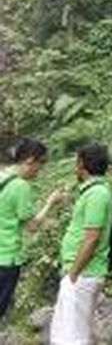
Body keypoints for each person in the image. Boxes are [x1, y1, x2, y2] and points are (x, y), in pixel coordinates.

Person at [49, 143, 112, 345]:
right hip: (79, 274)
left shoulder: (97, 194)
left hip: (82, 275)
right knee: (66, 332)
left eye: (75, 162)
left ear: (81, 164)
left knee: (71, 337)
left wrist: (72, 275)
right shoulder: (92, 192)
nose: (74, 167)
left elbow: (91, 238)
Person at [0, 138, 63, 322]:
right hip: (6, 259)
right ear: (30, 160)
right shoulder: (20, 186)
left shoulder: (2, 175)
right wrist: (50, 203)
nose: (41, 169)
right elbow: (32, 226)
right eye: (41, 163)